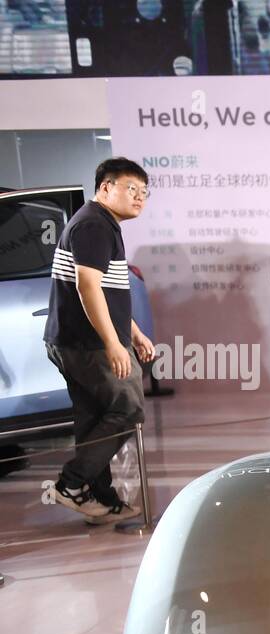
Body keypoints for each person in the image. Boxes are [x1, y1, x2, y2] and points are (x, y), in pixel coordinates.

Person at [44, 157, 154, 522]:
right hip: (89, 345)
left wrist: (133, 333)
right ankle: (70, 484)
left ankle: (97, 499)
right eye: (131, 189)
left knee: (93, 420)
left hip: (75, 341)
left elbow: (109, 292)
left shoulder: (100, 224)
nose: (139, 197)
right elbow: (87, 286)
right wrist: (112, 342)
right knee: (127, 409)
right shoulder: (94, 225)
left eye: (144, 192)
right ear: (106, 187)